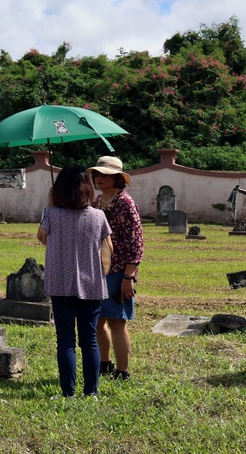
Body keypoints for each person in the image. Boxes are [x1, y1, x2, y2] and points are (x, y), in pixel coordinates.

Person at [37, 165, 112, 398]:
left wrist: (51, 205)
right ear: (87, 189)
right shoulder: (98, 216)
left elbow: (42, 238)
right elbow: (109, 248)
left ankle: (68, 393)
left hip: (60, 284)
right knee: (89, 340)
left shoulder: (51, 214)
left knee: (65, 340)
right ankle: (91, 393)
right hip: (92, 284)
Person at [89, 156, 144, 381]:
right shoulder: (96, 202)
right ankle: (104, 364)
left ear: (117, 178)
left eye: (104, 174)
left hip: (119, 271)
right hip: (96, 270)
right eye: (96, 174)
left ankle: (123, 371)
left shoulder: (124, 202)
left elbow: (136, 241)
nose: (99, 178)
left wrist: (128, 277)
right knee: (97, 321)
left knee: (117, 322)